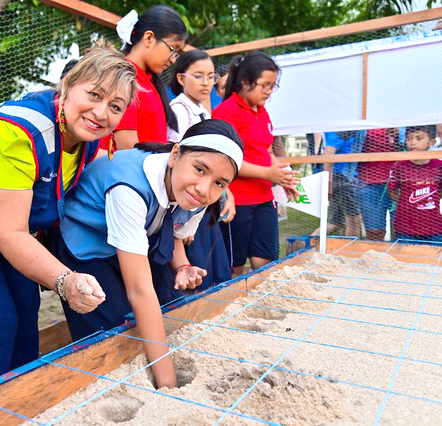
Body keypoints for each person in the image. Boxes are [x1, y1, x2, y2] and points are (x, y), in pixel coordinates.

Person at [0, 45, 137, 387]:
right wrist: (66, 280)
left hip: (4, 231)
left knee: (26, 307)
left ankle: (25, 393)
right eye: (94, 94)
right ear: (67, 85)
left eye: (116, 107)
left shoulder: (85, 137)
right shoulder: (16, 133)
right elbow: (8, 233)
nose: (101, 112)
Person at [56, 119, 243, 388]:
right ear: (175, 154)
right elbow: (139, 290)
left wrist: (182, 266)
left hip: (139, 238)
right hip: (88, 244)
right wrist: (168, 384)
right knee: (111, 329)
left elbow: (175, 233)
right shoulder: (129, 187)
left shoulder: (200, 193)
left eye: (220, 183)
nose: (204, 188)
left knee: (169, 306)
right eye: (200, 169)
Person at [212, 51, 299, 276]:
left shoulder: (262, 112)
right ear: (245, 82)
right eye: (264, 85)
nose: (269, 91)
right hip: (237, 201)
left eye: (273, 86)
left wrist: (283, 177)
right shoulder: (226, 112)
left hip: (264, 198)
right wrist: (268, 173)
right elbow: (224, 160)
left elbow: (265, 150)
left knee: (266, 263)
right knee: (233, 267)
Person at [167, 50, 232, 289]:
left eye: (210, 76)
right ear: (181, 78)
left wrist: (227, 193)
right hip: (189, 203)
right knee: (195, 272)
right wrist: (184, 223)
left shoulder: (202, 111)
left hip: (204, 204)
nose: (206, 83)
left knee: (213, 269)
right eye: (198, 76)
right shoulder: (179, 110)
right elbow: (179, 163)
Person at [100, 6, 188, 152]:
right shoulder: (123, 78)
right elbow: (126, 149)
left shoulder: (148, 81)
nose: (174, 60)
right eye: (173, 49)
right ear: (148, 38)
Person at [388, 125, 442, 242]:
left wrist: (428, 200)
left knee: (434, 253)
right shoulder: (399, 166)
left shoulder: (440, 166)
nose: (412, 142)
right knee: (405, 253)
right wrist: (407, 203)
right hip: (405, 226)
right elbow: (392, 191)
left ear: (431, 142)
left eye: (418, 138)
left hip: (432, 226)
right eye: (409, 139)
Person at [313, 131, 365, 237]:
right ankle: (350, 248)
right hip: (341, 178)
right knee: (354, 221)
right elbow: (329, 152)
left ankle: (305, 242)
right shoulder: (339, 130)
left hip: (343, 177)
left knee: (336, 223)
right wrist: (328, 183)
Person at [357, 128, 399, 240]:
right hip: (368, 182)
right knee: (374, 232)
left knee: (403, 231)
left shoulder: (402, 125)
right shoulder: (362, 125)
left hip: (399, 183)